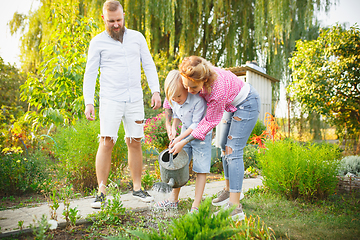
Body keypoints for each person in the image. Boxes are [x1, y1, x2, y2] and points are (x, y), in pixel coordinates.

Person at [83, 0, 161, 209]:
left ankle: (137, 187)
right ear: (103, 19)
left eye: (119, 20)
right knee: (106, 141)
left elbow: (148, 63)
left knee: (134, 141)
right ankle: (101, 191)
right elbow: (90, 73)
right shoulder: (97, 42)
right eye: (111, 21)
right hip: (110, 99)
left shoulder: (137, 38)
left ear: (123, 16)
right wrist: (89, 102)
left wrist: (156, 90)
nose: (116, 25)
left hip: (134, 98)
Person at [169, 56, 260, 220]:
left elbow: (209, 122)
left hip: (246, 103)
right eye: (186, 86)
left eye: (193, 87)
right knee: (223, 146)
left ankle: (235, 207)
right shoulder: (196, 75)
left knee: (233, 150)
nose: (189, 91)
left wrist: (183, 141)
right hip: (230, 104)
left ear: (204, 80)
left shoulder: (216, 90)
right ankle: (228, 190)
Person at [153, 70, 212, 213]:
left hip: (201, 135)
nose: (177, 100)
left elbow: (196, 125)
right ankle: (173, 201)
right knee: (177, 166)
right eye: (173, 98)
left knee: (200, 169)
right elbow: (177, 114)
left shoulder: (197, 100)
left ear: (186, 87)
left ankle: (195, 206)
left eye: (179, 96)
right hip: (184, 132)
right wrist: (173, 128)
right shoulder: (174, 98)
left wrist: (180, 139)